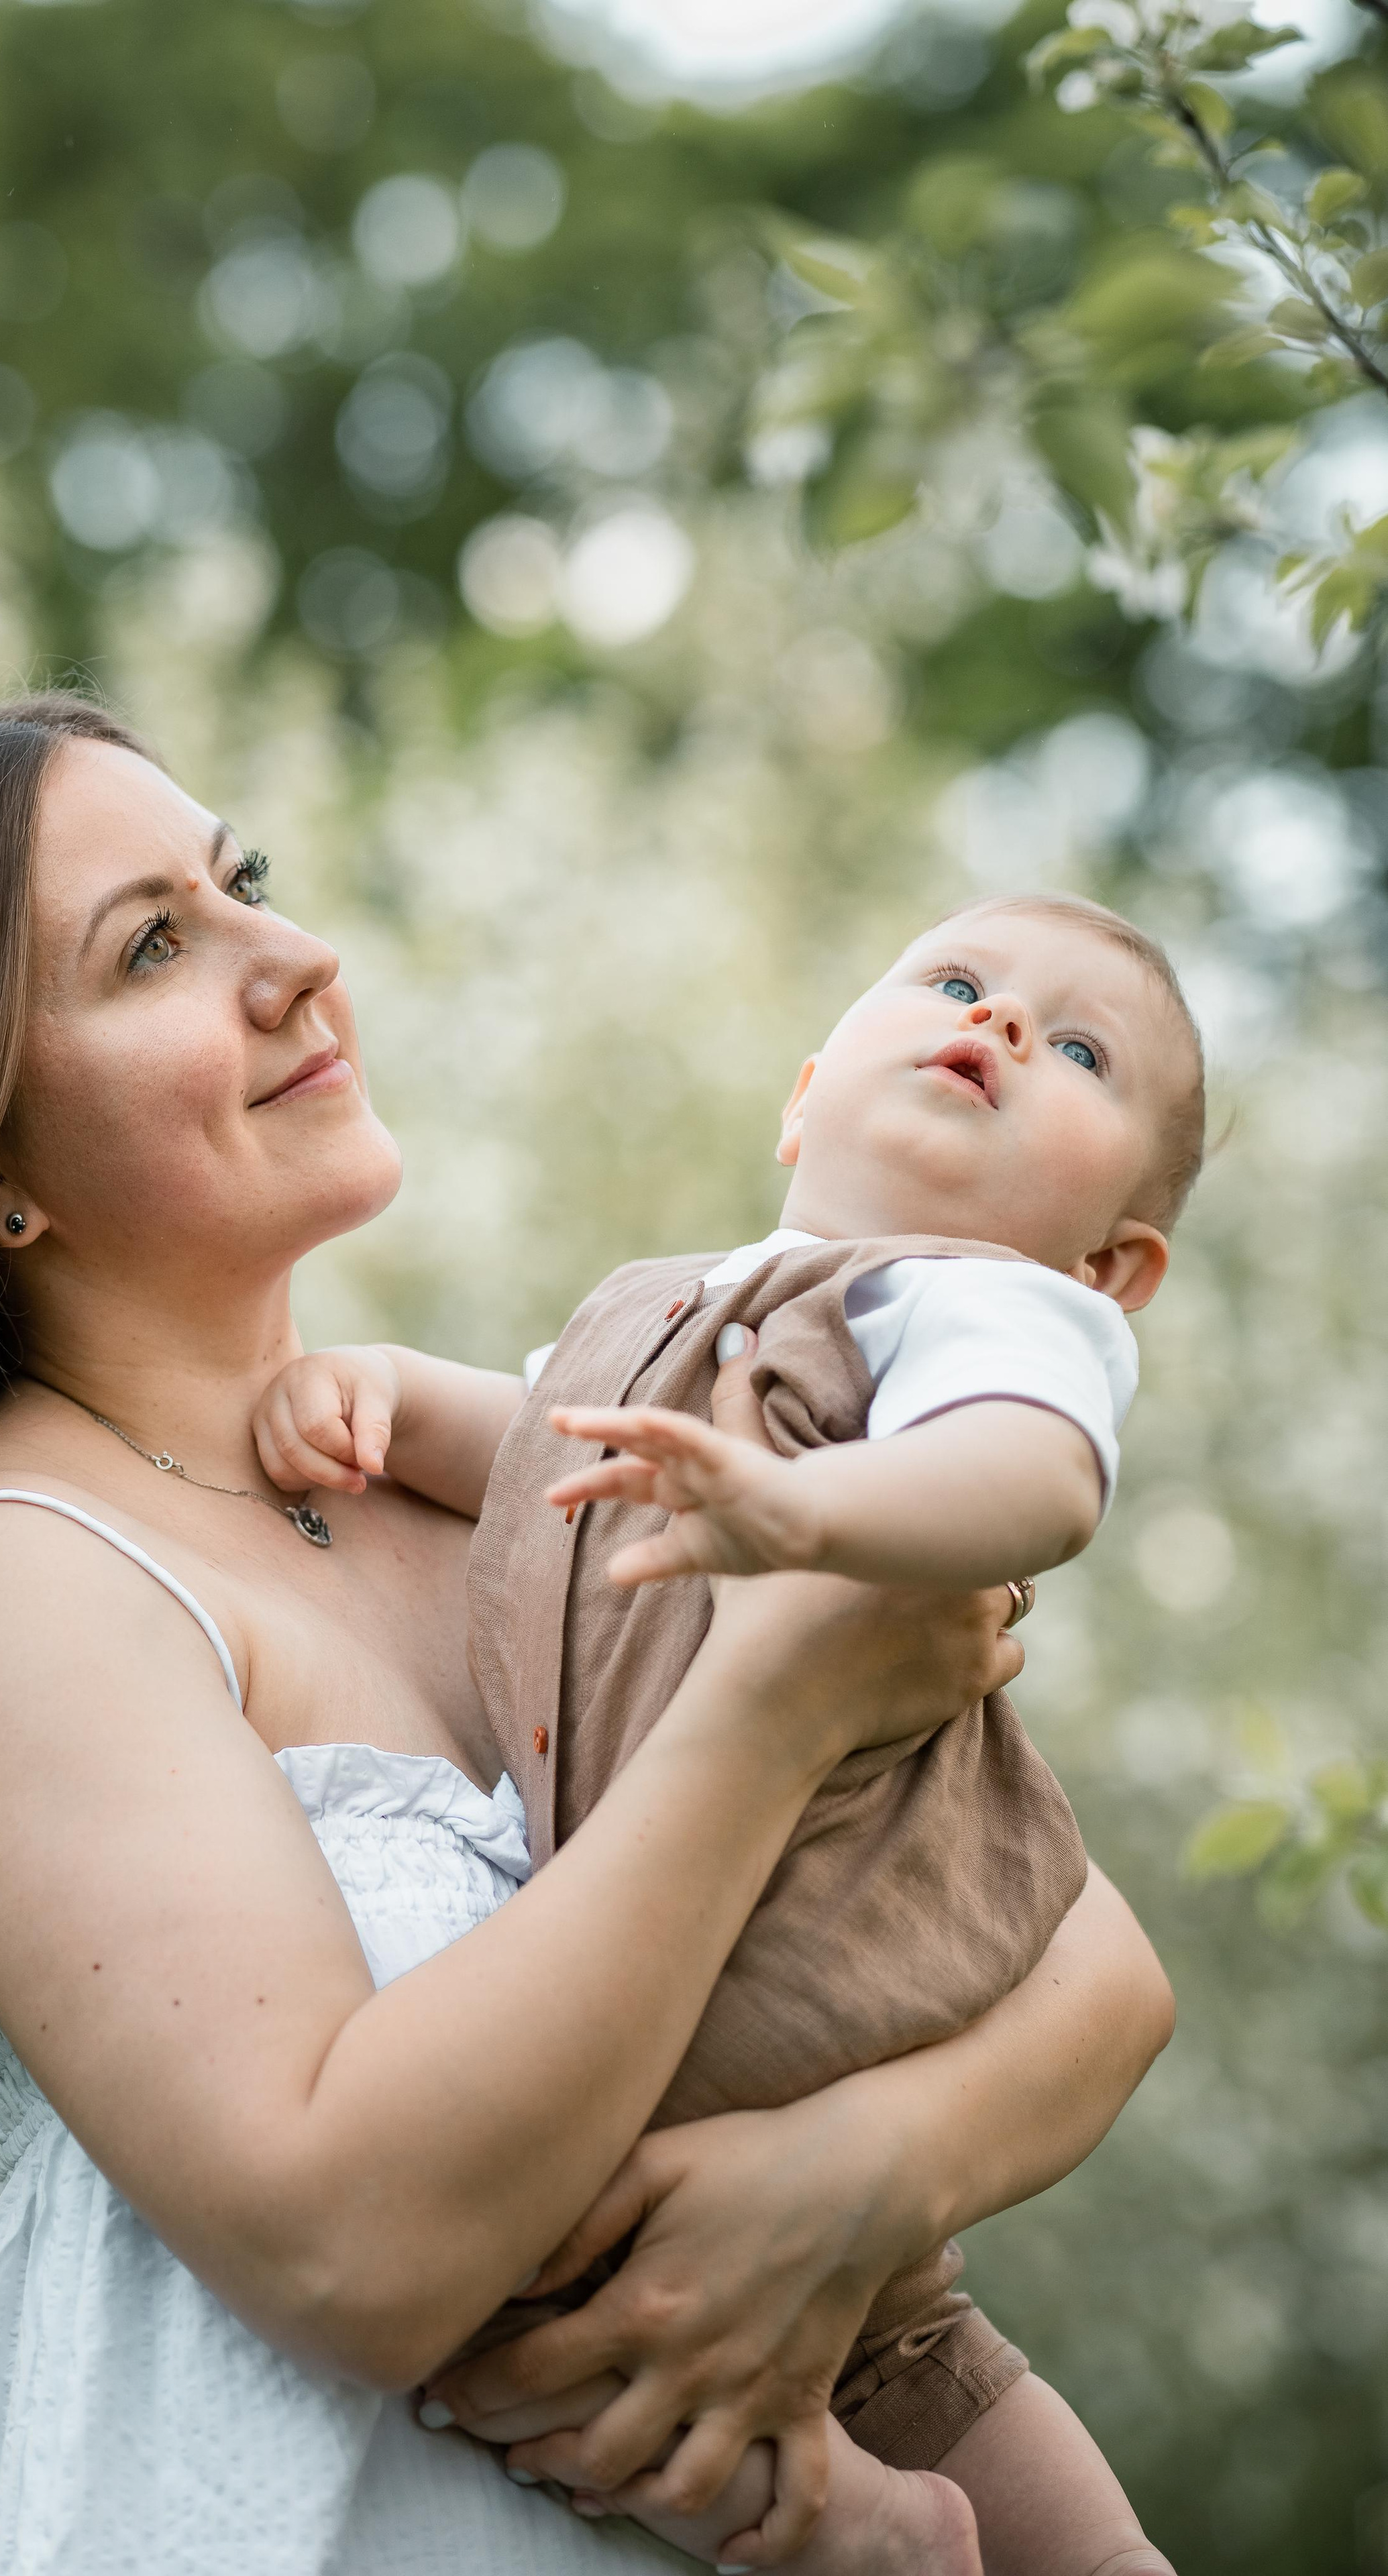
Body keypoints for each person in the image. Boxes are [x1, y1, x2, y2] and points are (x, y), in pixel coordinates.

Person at [0, 696, 1173, 2576]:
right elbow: (346, 2243)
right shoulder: (13, 1578)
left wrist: (859, 2180)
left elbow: (1097, 1972)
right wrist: (776, 1703)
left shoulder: (472, 1479)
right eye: (154, 947)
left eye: (246, 887)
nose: (294, 961)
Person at [252, 895, 1199, 2571]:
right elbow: (546, 1464)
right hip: (664, 2062)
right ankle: (859, 2524)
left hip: (843, 1978)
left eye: (1070, 1052)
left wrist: (809, 1508)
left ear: (1109, 1266)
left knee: (927, 2376)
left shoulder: (978, 1310)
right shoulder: (655, 1307)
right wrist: (394, 1390)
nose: (992, 1029)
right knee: (543, 2371)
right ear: (805, 1090)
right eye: (958, 987)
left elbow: (1035, 1477)